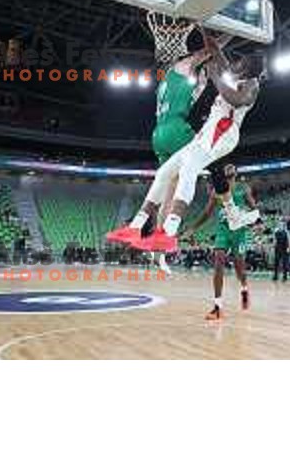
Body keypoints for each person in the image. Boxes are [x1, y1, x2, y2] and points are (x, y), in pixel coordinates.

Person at [106, 31, 256, 265]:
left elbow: (236, 97)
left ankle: (171, 229)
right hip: (203, 133)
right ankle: (136, 227)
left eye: (241, 62)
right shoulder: (211, 72)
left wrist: (215, 70)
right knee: (166, 174)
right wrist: (206, 29)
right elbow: (214, 52)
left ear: (249, 68)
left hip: (221, 133)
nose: (235, 63)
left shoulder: (250, 84)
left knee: (190, 170)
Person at [185, 165, 258, 320]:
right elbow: (207, 212)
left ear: (236, 173)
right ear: (224, 174)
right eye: (227, 167)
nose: (230, 167)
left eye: (233, 166)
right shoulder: (216, 191)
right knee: (218, 263)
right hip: (223, 230)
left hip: (239, 231)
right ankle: (217, 307)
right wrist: (193, 228)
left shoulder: (243, 188)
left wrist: (249, 219)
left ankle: (244, 289)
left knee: (240, 269)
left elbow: (254, 209)